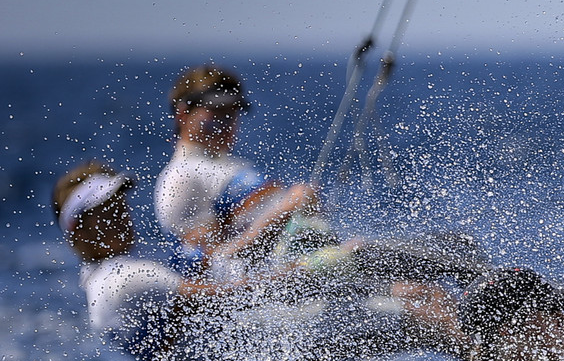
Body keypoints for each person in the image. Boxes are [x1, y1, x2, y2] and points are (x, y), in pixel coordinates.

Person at [55, 161, 462, 361]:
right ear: (77, 233)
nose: (120, 217)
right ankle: (501, 345)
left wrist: (275, 228)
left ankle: (471, 288)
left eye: (119, 206)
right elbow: (236, 296)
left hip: (264, 347)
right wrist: (319, 270)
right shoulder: (123, 279)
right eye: (103, 212)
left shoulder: (108, 279)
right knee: (419, 307)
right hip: (277, 345)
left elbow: (220, 273)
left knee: (414, 303)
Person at [152, 64, 493, 288]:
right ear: (184, 112)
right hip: (285, 287)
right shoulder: (179, 181)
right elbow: (214, 267)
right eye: (217, 113)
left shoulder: (228, 166)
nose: (228, 123)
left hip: (315, 267)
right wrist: (285, 209)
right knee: (406, 266)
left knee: (451, 249)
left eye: (234, 113)